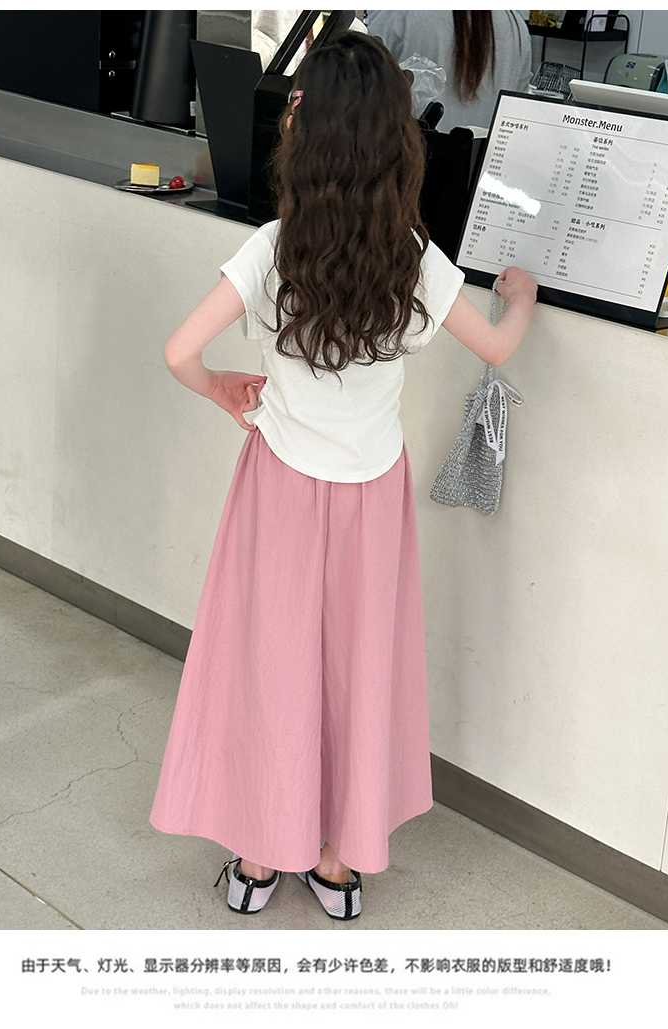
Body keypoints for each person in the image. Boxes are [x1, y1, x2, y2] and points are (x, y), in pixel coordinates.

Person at [149, 31, 537, 921]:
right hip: (371, 495)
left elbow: (178, 352)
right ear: (396, 140)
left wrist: (221, 388)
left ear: (302, 128)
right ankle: (336, 866)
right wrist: (519, 295)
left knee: (272, 662)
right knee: (357, 670)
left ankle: (257, 862)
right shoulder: (412, 256)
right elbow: (497, 344)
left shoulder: (273, 248)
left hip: (279, 489)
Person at [366, 10, 532, 132]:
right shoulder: (515, 26)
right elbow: (519, 109)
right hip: (483, 164)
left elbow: (363, 89)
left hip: (411, 160)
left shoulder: (399, 13)